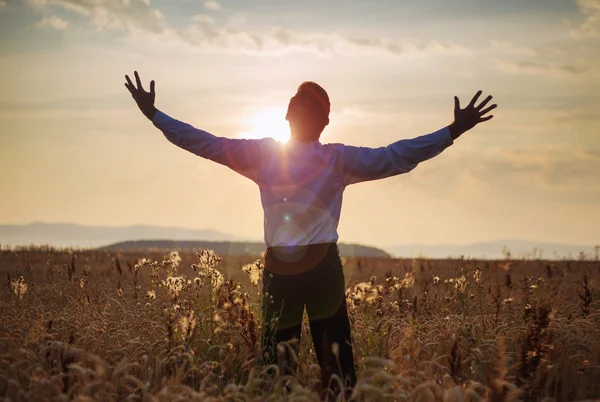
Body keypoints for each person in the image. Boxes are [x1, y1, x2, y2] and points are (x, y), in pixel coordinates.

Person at [124, 71, 496, 397]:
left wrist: (155, 116)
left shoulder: (266, 156)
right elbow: (398, 155)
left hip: (284, 271)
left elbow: (202, 142)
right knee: (335, 370)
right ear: (323, 123)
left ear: (288, 117)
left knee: (277, 369)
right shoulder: (335, 159)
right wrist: (452, 132)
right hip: (321, 270)